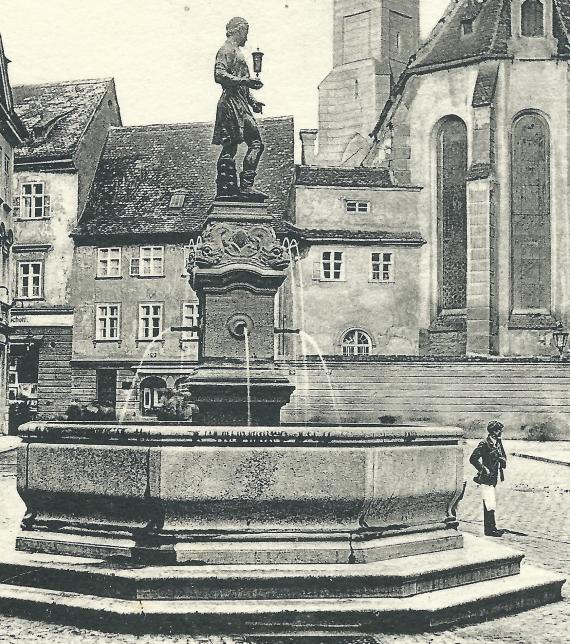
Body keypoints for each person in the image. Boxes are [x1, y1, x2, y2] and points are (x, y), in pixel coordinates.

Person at [213, 17, 266, 199]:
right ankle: (238, 187)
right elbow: (219, 75)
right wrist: (247, 81)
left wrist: (253, 101)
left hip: (240, 104)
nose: (247, 38)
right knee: (239, 145)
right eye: (246, 33)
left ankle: (237, 187)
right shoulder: (226, 50)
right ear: (238, 30)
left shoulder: (236, 51)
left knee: (247, 144)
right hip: (231, 104)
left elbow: (242, 85)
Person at [469, 420, 507, 537]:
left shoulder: (498, 442)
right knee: (489, 502)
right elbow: (473, 459)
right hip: (486, 477)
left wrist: (502, 460)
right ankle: (490, 530)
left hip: (494, 477)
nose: (500, 432)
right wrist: (483, 469)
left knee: (491, 502)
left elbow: (503, 456)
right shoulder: (484, 444)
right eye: (498, 430)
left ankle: (491, 528)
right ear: (493, 432)